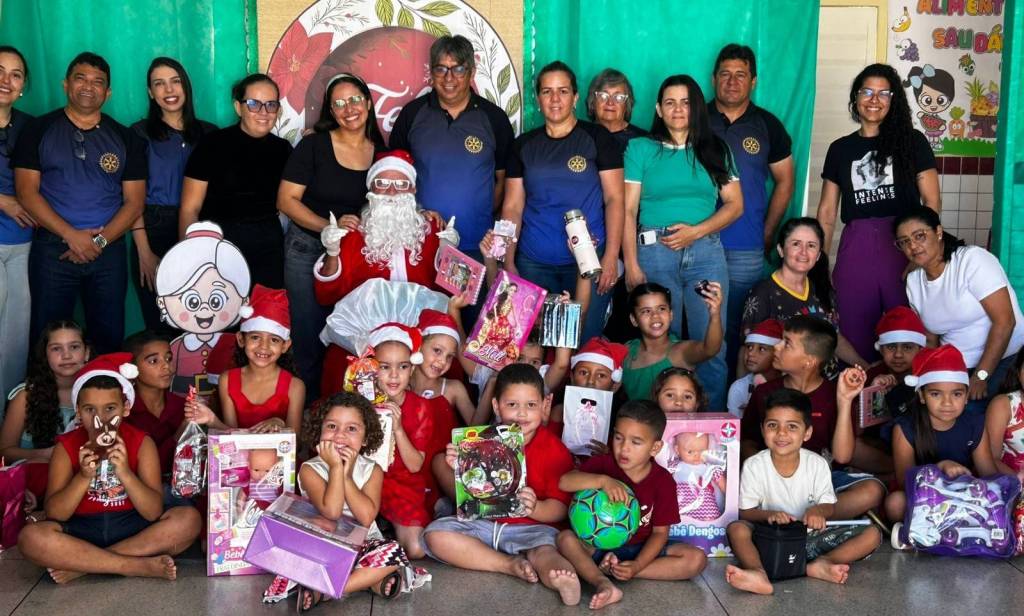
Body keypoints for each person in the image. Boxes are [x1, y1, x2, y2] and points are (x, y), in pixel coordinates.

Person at [17, 353, 202, 583]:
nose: (101, 419)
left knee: (189, 519)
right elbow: (55, 513)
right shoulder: (66, 447)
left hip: (132, 526)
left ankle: (84, 565)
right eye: (90, 410)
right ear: (78, 411)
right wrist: (83, 476)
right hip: (81, 529)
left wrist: (125, 472)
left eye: (110, 408)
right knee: (31, 538)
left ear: (125, 408)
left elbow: (153, 512)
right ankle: (132, 565)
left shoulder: (142, 443)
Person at [623, 74, 742, 410]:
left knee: (712, 344)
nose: (678, 109)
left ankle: (712, 428)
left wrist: (696, 231)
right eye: (670, 102)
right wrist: (631, 263)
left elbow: (735, 205)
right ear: (659, 109)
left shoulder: (715, 149)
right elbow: (628, 210)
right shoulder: (641, 148)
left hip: (705, 253)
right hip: (655, 252)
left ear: (696, 108)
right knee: (661, 342)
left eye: (686, 102)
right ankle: (660, 426)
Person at [13, 51, 145, 354]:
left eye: (98, 82)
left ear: (108, 93)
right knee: (48, 337)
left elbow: (134, 203)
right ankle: (45, 389)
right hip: (53, 249)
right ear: (65, 84)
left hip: (108, 250)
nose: (88, 86)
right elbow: (26, 192)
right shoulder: (38, 129)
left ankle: (105, 387)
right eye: (80, 78)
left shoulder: (126, 138)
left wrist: (97, 241)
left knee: (108, 336)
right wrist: (71, 235)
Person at [423, 364, 582, 606]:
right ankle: (508, 565)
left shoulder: (555, 451)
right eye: (512, 404)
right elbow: (473, 492)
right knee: (435, 536)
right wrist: (459, 467)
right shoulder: (480, 441)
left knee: (546, 551)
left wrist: (535, 508)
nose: (522, 414)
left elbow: (560, 508)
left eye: (531, 405)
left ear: (544, 406)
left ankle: (560, 578)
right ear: (497, 406)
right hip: (485, 526)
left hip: (532, 531)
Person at [817, 63, 940, 362]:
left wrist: (920, 254)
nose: (874, 99)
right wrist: (820, 261)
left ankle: (908, 391)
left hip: (902, 245)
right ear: (855, 97)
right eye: (867, 92)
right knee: (852, 328)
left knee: (907, 331)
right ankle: (858, 390)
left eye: (884, 93)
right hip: (856, 246)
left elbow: (931, 201)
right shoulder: (840, 149)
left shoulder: (913, 141)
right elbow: (828, 211)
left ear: (893, 99)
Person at [265, 391, 428, 609]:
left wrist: (347, 476)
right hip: (322, 546)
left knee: (393, 551)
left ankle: (325, 589)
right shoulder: (310, 469)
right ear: (319, 431)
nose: (340, 435)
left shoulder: (372, 470)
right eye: (332, 426)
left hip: (363, 544)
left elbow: (366, 517)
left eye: (351, 429)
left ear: (365, 438)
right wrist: (335, 468)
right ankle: (366, 582)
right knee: (300, 561)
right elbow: (332, 512)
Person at [277, 73, 385, 401]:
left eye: (354, 100)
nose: (348, 109)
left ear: (368, 103)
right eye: (339, 103)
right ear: (331, 111)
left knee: (350, 336)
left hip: (354, 257)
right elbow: (286, 200)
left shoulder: (381, 152)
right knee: (309, 336)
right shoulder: (314, 145)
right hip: (307, 248)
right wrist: (327, 226)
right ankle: (309, 410)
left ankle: (347, 412)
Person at [501, 61, 623, 344]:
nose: (555, 99)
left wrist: (610, 256)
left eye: (563, 91)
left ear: (576, 97)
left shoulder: (597, 138)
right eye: (547, 91)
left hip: (588, 261)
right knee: (534, 345)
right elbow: (512, 207)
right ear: (538, 98)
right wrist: (508, 260)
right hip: (533, 261)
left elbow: (615, 198)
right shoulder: (523, 145)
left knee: (584, 342)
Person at [725, 388, 881, 595]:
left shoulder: (817, 464)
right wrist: (770, 515)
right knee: (737, 529)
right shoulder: (754, 465)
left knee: (872, 534)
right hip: (770, 541)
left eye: (792, 426)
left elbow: (829, 506)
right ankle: (758, 572)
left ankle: (823, 563)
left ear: (807, 432)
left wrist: (818, 511)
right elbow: (746, 512)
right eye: (773, 425)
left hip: (809, 540)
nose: (781, 433)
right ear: (763, 430)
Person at [556, 400, 706, 610]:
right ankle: (602, 581)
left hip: (641, 549)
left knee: (696, 559)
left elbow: (660, 533)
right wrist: (602, 481)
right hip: (597, 547)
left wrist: (637, 565)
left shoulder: (662, 481)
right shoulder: (603, 464)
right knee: (565, 539)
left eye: (636, 442)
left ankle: (619, 570)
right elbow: (564, 482)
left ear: (655, 447)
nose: (624, 448)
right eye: (618, 437)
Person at [389, 35, 514, 273]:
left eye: (458, 69)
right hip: (421, 245)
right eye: (441, 69)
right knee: (424, 300)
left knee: (476, 299)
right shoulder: (412, 114)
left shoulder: (493, 118)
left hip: (477, 246)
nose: (449, 78)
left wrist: (480, 214)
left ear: (472, 72)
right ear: (431, 72)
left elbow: (504, 180)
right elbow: (394, 176)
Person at [708, 44, 795, 380]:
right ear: (713, 79)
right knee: (701, 325)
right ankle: (699, 399)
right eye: (725, 74)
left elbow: (785, 181)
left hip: (746, 245)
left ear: (753, 81)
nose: (732, 82)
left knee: (741, 329)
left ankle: (736, 399)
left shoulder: (768, 125)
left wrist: (768, 232)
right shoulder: (695, 118)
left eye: (740, 75)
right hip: (698, 244)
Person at [742, 316, 884, 520]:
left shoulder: (833, 394)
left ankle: (800, 520)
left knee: (872, 490)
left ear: (809, 361)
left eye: (787, 343)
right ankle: (801, 520)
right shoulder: (764, 392)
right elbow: (748, 441)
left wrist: (844, 400)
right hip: (775, 480)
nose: (777, 347)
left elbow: (843, 457)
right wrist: (762, 474)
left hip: (823, 480)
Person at [897, 206, 1024, 413]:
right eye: (904, 241)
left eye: (919, 236)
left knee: (965, 414)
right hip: (955, 367)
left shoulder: (972, 260)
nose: (912, 246)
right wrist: (926, 375)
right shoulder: (914, 282)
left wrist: (981, 376)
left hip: (1004, 359)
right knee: (917, 410)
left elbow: (1005, 322)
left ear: (938, 232)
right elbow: (930, 339)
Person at [180, 73, 291, 288]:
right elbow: (189, 208)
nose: (263, 112)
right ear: (238, 108)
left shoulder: (283, 150)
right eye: (253, 104)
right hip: (218, 243)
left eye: (271, 105)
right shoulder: (211, 145)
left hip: (268, 246)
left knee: (266, 307)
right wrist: (190, 257)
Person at [130, 58, 216, 333]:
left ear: (186, 86)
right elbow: (131, 201)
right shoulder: (139, 134)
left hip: (200, 228)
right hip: (153, 229)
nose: (169, 89)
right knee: (161, 322)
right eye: (159, 83)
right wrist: (144, 251)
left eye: (175, 81)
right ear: (150, 92)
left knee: (200, 321)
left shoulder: (209, 133)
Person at [885, 345, 997, 536]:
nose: (947, 403)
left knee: (996, 498)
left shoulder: (974, 424)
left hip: (964, 495)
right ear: (922, 396)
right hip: (924, 499)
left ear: (966, 396)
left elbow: (988, 473)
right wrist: (939, 469)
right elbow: (905, 482)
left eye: (957, 394)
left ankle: (949, 531)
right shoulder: (905, 428)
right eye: (936, 394)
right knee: (895, 503)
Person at [740, 217, 867, 372]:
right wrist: (742, 387)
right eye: (796, 244)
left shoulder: (822, 289)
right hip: (783, 385)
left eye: (811, 245)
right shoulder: (763, 293)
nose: (803, 252)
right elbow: (746, 350)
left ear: (818, 255)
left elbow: (834, 339)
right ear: (780, 249)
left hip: (827, 382)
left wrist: (864, 366)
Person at [184, 286, 304, 436]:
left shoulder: (295, 386)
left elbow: (296, 443)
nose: (264, 346)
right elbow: (231, 436)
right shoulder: (227, 380)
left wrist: (280, 424)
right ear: (241, 339)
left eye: (274, 340)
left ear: (285, 345)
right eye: (255, 337)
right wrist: (211, 419)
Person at [584, 68, 645, 344]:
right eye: (603, 95)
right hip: (590, 237)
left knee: (629, 316)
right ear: (591, 100)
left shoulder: (645, 142)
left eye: (619, 96)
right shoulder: (579, 135)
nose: (610, 102)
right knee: (590, 319)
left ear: (628, 103)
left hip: (633, 237)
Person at [366, 322, 434, 560]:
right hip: (365, 483)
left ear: (412, 369)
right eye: (385, 367)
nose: (394, 375)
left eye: (402, 366)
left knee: (416, 549)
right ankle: (378, 529)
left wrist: (397, 428)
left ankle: (387, 531)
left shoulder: (421, 407)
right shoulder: (360, 402)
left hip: (402, 486)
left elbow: (415, 465)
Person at [0, 321, 87, 506]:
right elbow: (4, 452)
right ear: (45, 355)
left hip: (79, 482)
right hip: (32, 483)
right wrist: (45, 454)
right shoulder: (26, 396)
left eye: (74, 347)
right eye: (56, 348)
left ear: (86, 352)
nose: (66, 355)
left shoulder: (97, 394)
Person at [621, 282, 723, 403]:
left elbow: (710, 349)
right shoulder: (627, 350)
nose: (655, 316)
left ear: (671, 314)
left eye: (661, 309)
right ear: (634, 320)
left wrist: (715, 315)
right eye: (646, 311)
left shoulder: (680, 352)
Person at [0, 45, 34, 399]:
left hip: (22, 244)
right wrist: (2, 200)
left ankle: (7, 416)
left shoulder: (29, 126)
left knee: (15, 336)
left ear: (23, 85)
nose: (5, 80)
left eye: (15, 74)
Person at [122, 330, 185, 475]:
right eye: (153, 361)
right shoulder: (124, 411)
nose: (166, 366)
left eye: (168, 358)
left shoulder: (183, 406)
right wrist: (181, 432)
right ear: (131, 368)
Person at [548, 337, 627, 440]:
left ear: (615, 386)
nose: (590, 381)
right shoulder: (559, 413)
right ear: (572, 378)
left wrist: (608, 451)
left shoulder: (622, 422)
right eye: (584, 372)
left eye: (601, 375)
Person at [727, 319, 782, 417]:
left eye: (761, 349)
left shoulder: (787, 386)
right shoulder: (738, 388)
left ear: (777, 354)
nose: (751, 353)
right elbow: (735, 424)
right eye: (749, 347)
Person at [986, 353, 1024, 479]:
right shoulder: (1003, 405)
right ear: (1018, 372)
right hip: (1010, 483)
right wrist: (1018, 482)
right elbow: (989, 458)